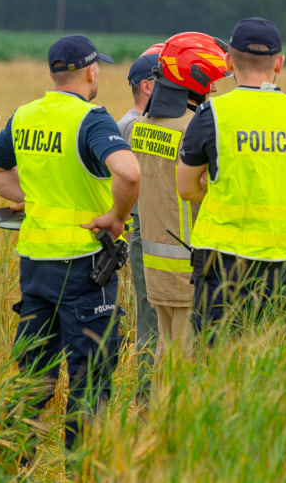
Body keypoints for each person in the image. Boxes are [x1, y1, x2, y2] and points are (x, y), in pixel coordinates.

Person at [0, 34, 140, 451]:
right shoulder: (92, 119)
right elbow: (129, 173)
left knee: (33, 373)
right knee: (91, 376)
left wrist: (30, 199)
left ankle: (15, 462)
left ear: (53, 74)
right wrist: (117, 217)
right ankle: (80, 467)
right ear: (91, 71)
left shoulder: (26, 115)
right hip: (85, 267)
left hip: (35, 264)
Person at [175, 17, 286, 336]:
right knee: (282, 366)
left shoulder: (212, 114)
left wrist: (219, 192)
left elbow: (185, 188)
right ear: (279, 63)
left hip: (224, 265)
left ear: (227, 61)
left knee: (219, 365)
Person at [133, 33, 229, 360]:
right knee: (187, 360)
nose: (215, 88)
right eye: (211, 81)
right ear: (193, 78)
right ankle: (174, 413)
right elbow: (204, 189)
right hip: (188, 264)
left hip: (155, 265)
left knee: (166, 349)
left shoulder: (143, 124)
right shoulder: (192, 127)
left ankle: (153, 412)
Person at [117, 43, 162, 402]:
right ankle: (145, 396)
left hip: (148, 234)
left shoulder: (131, 124)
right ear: (147, 85)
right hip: (145, 234)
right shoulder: (134, 126)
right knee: (150, 318)